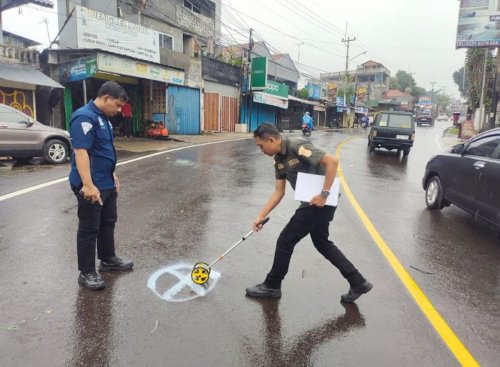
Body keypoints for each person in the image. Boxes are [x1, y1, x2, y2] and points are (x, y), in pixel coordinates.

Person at [246, 123, 372, 302]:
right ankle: (358, 281)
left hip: (320, 202)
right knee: (322, 243)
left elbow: (332, 162)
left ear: (271, 140)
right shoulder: (278, 161)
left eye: (260, 145)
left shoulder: (296, 146)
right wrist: (260, 215)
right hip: (313, 203)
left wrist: (324, 194)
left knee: (285, 240)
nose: (260, 150)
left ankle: (272, 285)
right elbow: (278, 192)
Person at [69, 81, 134, 291]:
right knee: (89, 229)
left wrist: (111, 173)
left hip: (106, 182)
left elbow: (102, 150)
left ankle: (108, 259)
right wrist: (87, 185)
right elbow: (81, 152)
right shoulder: (84, 117)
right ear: (105, 98)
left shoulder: (103, 119)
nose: (118, 111)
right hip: (91, 184)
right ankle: (86, 272)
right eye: (116, 105)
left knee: (108, 222)